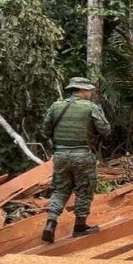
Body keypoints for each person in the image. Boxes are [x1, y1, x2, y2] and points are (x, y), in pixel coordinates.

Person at [40, 77, 112, 243]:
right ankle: (80, 226)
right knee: (84, 190)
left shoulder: (56, 106)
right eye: (89, 90)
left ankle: (50, 223)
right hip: (83, 155)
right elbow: (105, 130)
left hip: (60, 155)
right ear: (81, 90)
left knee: (60, 190)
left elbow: (45, 130)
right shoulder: (90, 108)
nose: (90, 93)